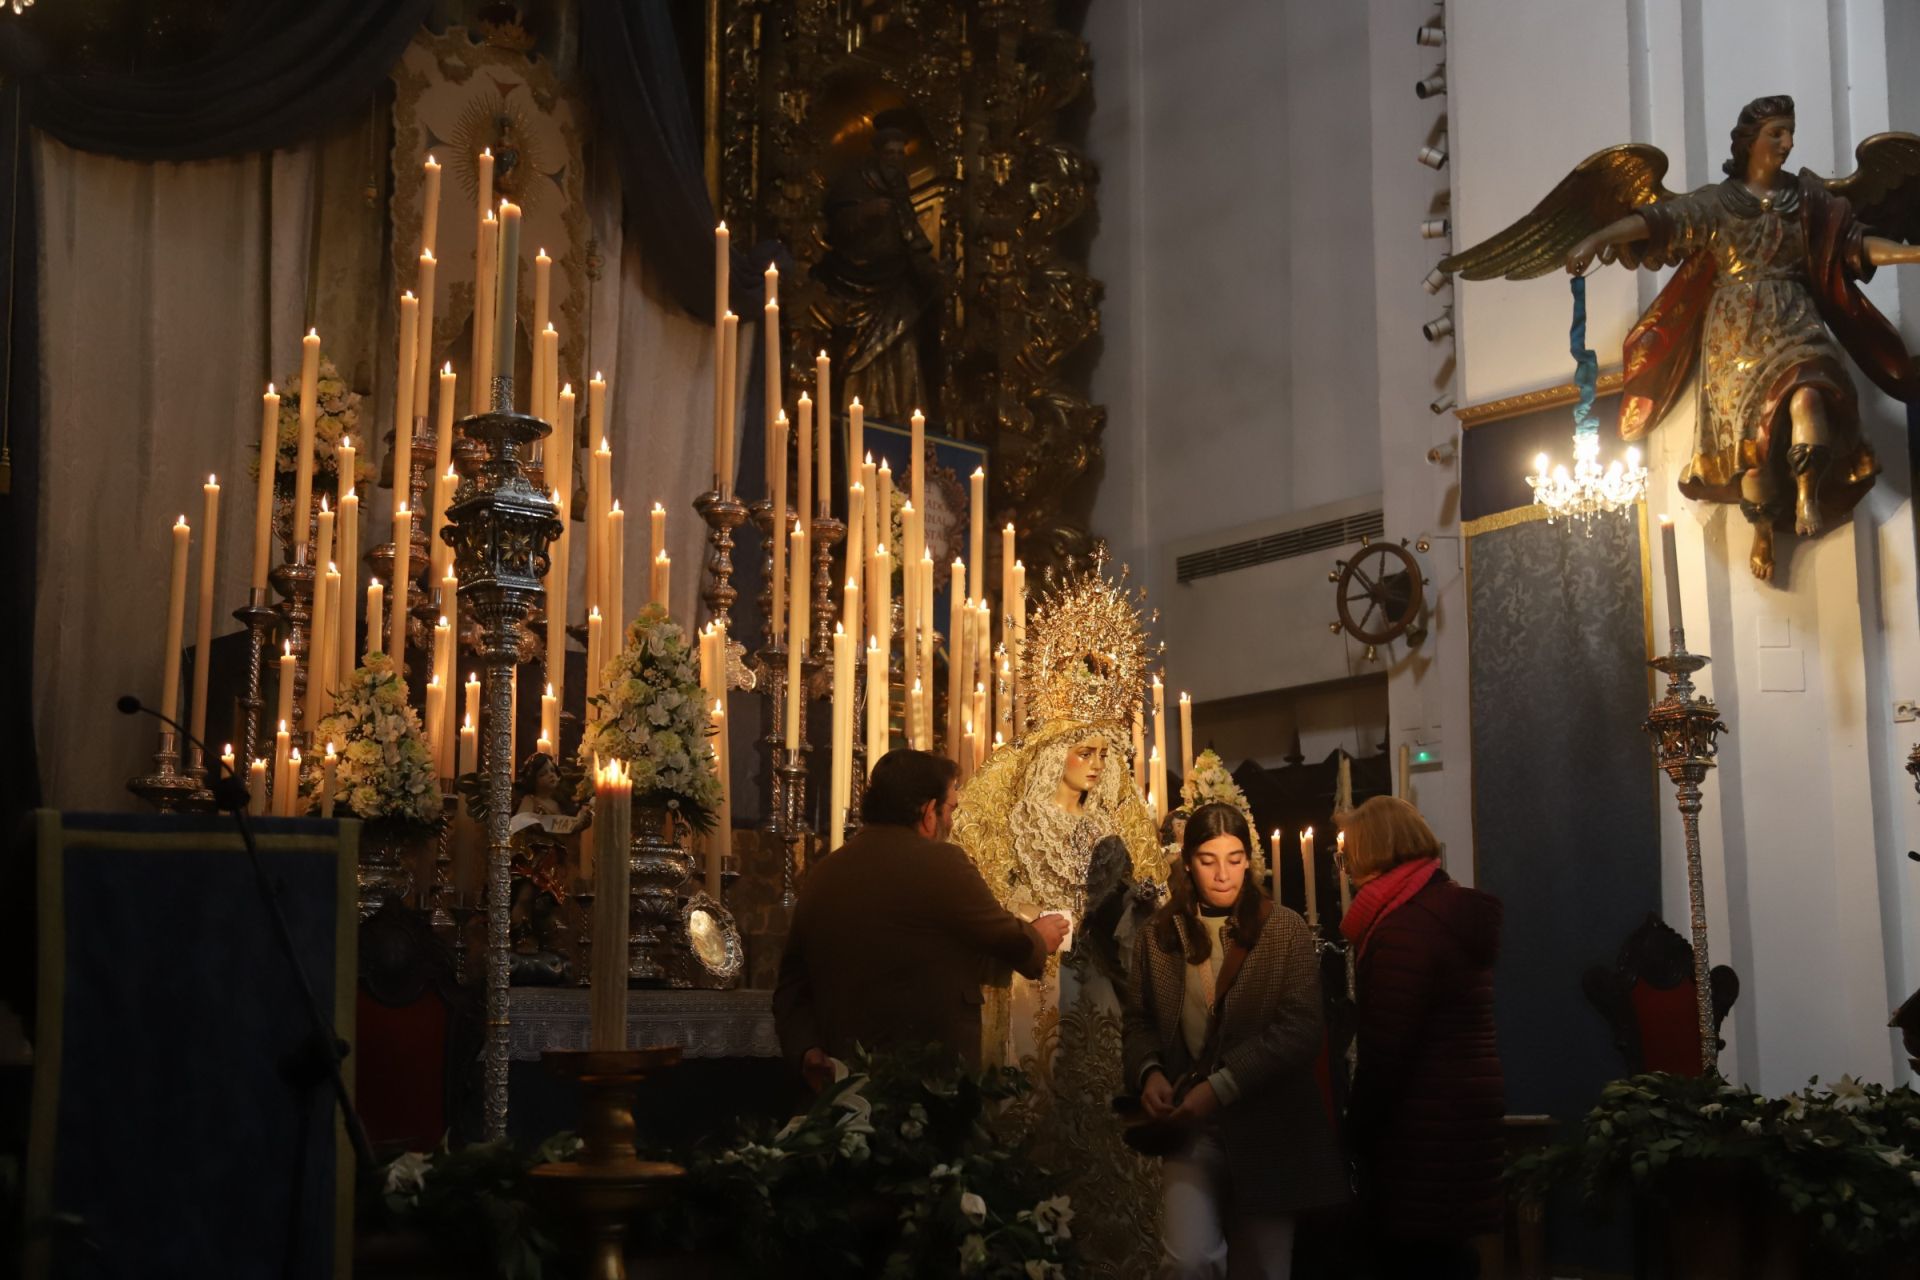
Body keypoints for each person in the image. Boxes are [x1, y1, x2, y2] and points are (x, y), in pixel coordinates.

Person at [1559, 94, 1920, 579]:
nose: (1788, 143)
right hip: (1736, 335)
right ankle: (1764, 530)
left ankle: (1807, 493)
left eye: (1790, 132)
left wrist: (1911, 254)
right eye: (1777, 133)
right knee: (1749, 451)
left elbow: (1854, 246)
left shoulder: (1810, 202)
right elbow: (1656, 221)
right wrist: (1597, 238)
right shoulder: (1718, 202)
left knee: (1814, 393)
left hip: (1795, 317)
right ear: (1751, 141)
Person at [950, 719, 1164, 1275]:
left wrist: (1135, 904)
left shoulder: (1105, 828)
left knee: (1096, 1093)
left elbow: (1118, 913)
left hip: (1093, 976)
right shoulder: (1022, 819)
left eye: (1101, 754)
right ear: (1055, 758)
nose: (1094, 764)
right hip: (1034, 976)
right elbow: (994, 891)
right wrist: (1032, 923)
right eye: (1083, 751)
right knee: (1033, 1091)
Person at [1122, 802, 1347, 1280]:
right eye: (1208, 860)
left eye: (1235, 858)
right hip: (1191, 1129)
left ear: (1249, 860)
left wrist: (1221, 1086)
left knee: (1263, 1269)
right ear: (1187, 863)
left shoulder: (1282, 928)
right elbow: (1140, 1020)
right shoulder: (1160, 935)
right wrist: (1151, 1072)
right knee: (1189, 1260)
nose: (1223, 874)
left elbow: (1301, 1030)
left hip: (1268, 1126)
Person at [773, 748, 1068, 1090]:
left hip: (843, 1082)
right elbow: (1003, 936)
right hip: (925, 1083)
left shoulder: (824, 872)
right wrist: (1039, 935)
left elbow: (792, 984)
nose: (952, 822)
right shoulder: (941, 864)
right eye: (951, 808)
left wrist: (805, 1049)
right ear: (929, 812)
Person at [1336, 796, 1503, 1279]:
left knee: (1417, 1254)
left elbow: (1388, 1048)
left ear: (1375, 851)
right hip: (1458, 1107)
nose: (1345, 865)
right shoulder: (1440, 907)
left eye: (1349, 852)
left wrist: (1356, 1129)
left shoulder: (1407, 925)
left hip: (1424, 1115)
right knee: (1447, 1245)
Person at [809, 110, 943, 420]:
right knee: (859, 355)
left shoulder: (901, 190)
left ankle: (900, 414)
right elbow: (833, 227)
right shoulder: (854, 183)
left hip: (896, 285)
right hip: (855, 282)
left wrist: (931, 270)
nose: (896, 158)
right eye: (890, 152)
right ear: (878, 153)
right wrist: (864, 212)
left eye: (900, 153)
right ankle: (858, 416)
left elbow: (913, 237)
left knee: (904, 345)